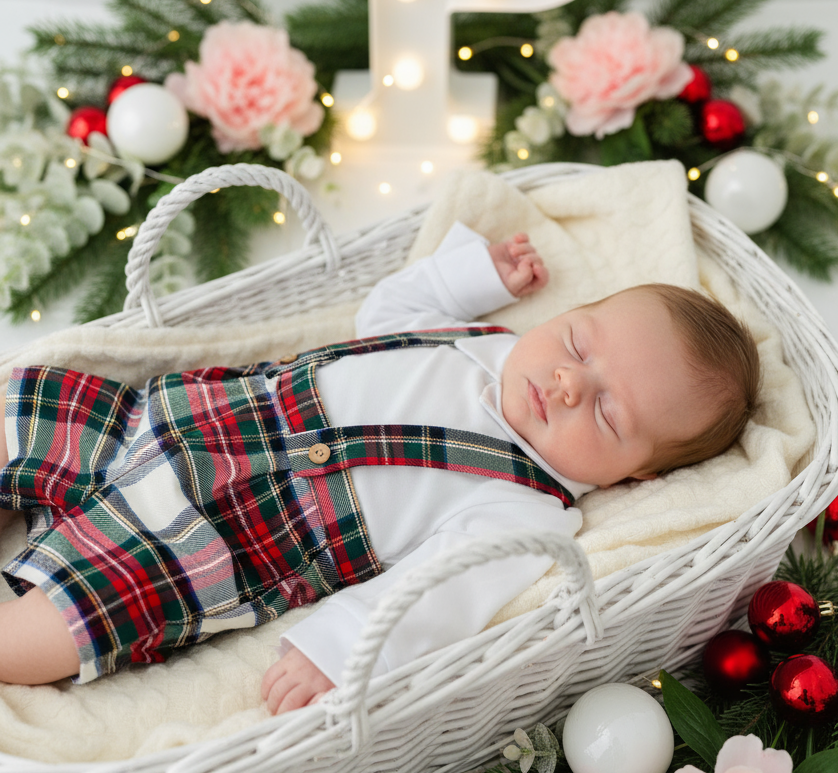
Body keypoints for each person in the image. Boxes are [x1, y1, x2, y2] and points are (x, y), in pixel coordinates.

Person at [0, 223, 759, 712]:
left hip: (206, 542)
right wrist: (476, 274)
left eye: (606, 413)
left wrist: (340, 648)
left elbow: (438, 593)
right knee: (22, 404)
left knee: (59, 630)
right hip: (165, 417)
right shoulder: (480, 340)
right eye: (577, 343)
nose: (567, 382)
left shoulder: (529, 507)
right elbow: (387, 313)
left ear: (635, 478)